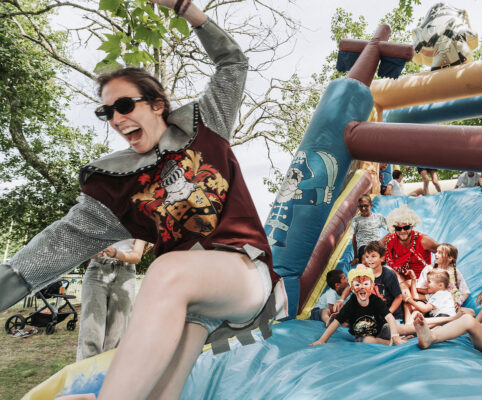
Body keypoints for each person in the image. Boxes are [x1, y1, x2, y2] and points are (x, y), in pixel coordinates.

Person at [0, 2, 286, 399]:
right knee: (156, 393)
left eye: (124, 105)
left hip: (243, 273)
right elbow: (54, 246)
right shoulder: (118, 183)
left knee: (166, 269)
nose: (116, 119)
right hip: (189, 306)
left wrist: (187, 10)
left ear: (157, 105)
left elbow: (233, 64)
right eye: (106, 112)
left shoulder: (206, 125)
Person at [76, 239, 146, 361]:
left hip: (125, 272)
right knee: (91, 330)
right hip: (97, 270)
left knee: (117, 333)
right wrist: (93, 252)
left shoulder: (140, 222)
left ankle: (110, 375)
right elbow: (84, 248)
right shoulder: (104, 220)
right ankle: (86, 376)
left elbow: (136, 256)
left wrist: (115, 253)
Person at [309, 266, 407, 346]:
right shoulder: (351, 304)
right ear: (352, 288)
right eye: (357, 284)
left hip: (381, 328)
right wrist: (322, 340)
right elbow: (336, 322)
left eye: (365, 283)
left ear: (371, 286)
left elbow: (389, 317)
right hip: (365, 335)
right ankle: (389, 342)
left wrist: (395, 335)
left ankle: (417, 327)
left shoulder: (375, 300)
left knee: (398, 328)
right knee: (368, 341)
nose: (361, 287)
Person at [416, 243, 474, 315]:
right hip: (432, 302)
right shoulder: (429, 269)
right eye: (436, 252)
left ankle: (449, 320)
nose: (436, 254)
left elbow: (465, 292)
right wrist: (436, 293)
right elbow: (419, 288)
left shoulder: (455, 272)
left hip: (448, 304)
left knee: (471, 312)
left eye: (439, 253)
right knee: (418, 311)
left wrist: (458, 302)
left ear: (450, 258)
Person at [362, 241, 404, 321]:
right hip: (375, 315)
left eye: (373, 256)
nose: (370, 259)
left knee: (391, 330)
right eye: (367, 257)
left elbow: (399, 297)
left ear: (382, 258)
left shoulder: (389, 275)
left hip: (392, 315)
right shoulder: (364, 275)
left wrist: (387, 314)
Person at [349, 194, 387, 265]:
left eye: (366, 206)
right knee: (368, 257)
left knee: (394, 232)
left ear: (371, 205)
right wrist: (356, 257)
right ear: (358, 207)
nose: (363, 208)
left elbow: (391, 229)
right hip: (364, 246)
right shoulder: (356, 219)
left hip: (376, 244)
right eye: (361, 206)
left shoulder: (378, 217)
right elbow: (354, 239)